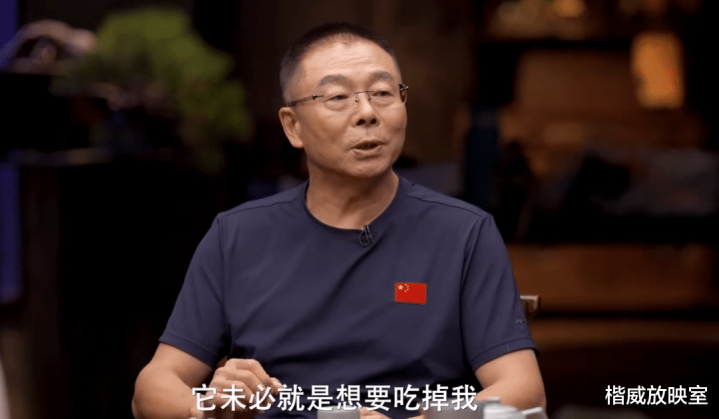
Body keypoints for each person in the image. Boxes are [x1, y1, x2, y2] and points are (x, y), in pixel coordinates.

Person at [132, 22, 545, 419]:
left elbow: (523, 392)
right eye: (337, 97)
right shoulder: (237, 235)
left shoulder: (463, 233)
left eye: (382, 93)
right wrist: (207, 408)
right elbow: (153, 388)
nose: (367, 112)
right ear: (293, 126)